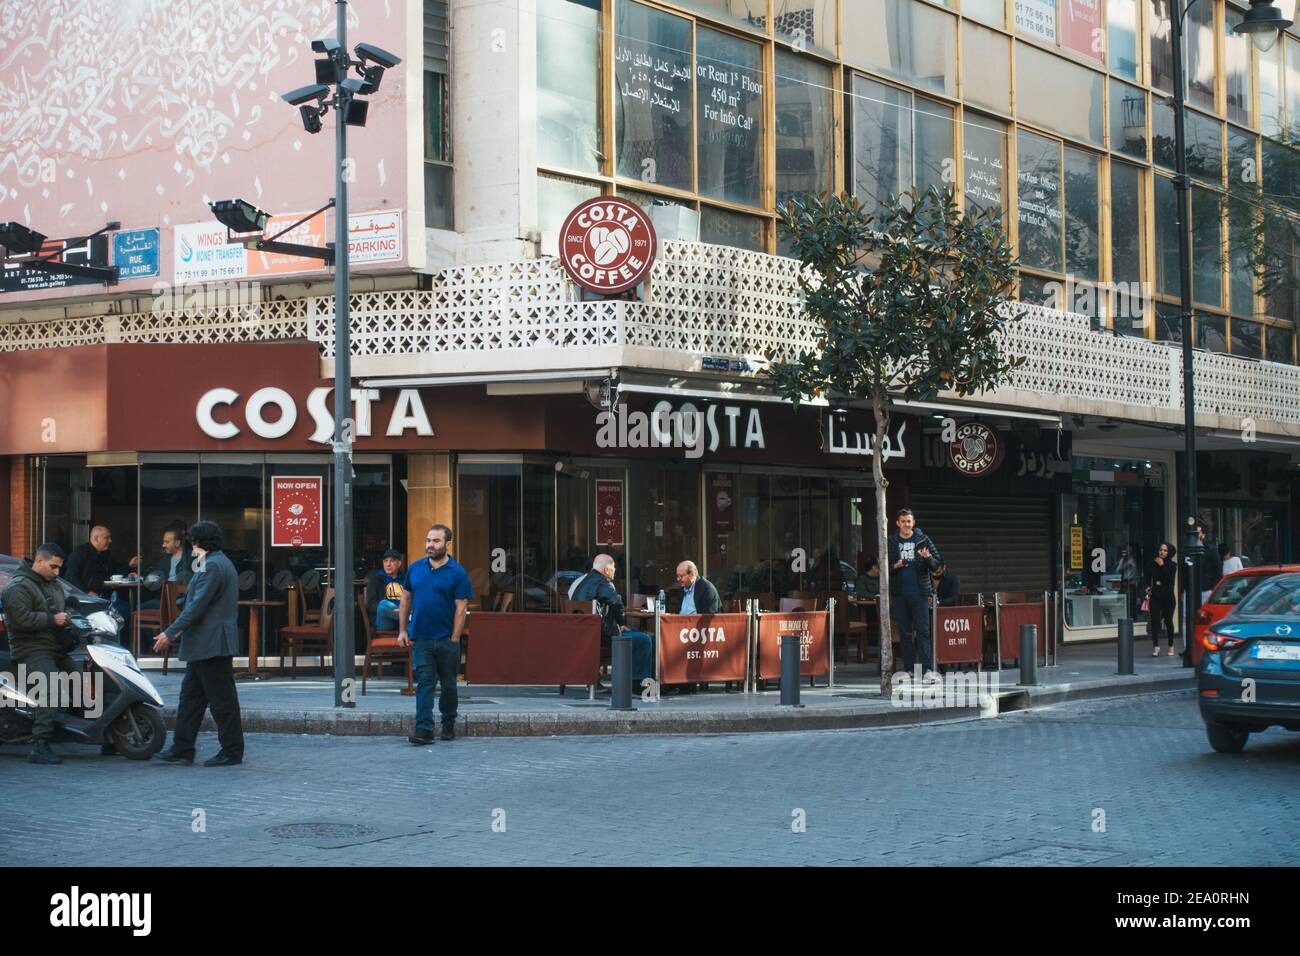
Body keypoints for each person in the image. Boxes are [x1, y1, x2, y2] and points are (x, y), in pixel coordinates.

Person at [153, 521, 245, 766]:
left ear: (198, 542)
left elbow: (197, 607)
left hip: (210, 643)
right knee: (191, 700)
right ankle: (182, 748)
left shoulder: (212, 566)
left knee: (221, 701)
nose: (190, 544)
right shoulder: (216, 562)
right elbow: (197, 600)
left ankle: (231, 751)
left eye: (192, 540)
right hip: (207, 644)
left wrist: (170, 633)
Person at [398, 524, 471, 745]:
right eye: (428, 540)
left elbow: (461, 607)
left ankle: (448, 722)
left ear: (448, 544)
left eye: (436, 541)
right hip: (421, 637)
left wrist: (455, 638)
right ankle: (424, 730)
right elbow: (406, 599)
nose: (430, 545)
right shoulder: (415, 568)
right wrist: (402, 630)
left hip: (447, 639)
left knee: (449, 685)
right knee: (425, 683)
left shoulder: (458, 572)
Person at [1, 544, 74, 764]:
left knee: (82, 679)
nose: (57, 572)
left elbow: (62, 609)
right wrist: (53, 620)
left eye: (59, 568)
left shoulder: (53, 584)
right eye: (53, 566)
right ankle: (40, 744)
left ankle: (79, 730)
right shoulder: (18, 586)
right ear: (39, 561)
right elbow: (19, 619)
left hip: (53, 646)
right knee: (50, 686)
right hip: (30, 648)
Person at [572, 553, 654, 689]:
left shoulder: (582, 582)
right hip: (601, 636)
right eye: (614, 567)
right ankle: (637, 684)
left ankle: (637, 680)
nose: (615, 570)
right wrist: (621, 624)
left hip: (585, 635)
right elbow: (616, 603)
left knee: (640, 635)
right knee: (645, 639)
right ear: (606, 570)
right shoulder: (603, 582)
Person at [888, 508, 941, 676]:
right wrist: (894, 567)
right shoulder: (891, 541)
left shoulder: (923, 539)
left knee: (923, 632)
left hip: (920, 594)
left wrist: (928, 557)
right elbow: (885, 567)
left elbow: (937, 565)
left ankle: (928, 670)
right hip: (900, 594)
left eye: (909, 521)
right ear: (898, 523)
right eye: (903, 521)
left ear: (914, 522)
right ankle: (909, 670)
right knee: (905, 634)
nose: (906, 524)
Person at [64, 525, 139, 616]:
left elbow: (115, 570)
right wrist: (87, 592)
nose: (110, 541)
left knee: (128, 608)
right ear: (96, 538)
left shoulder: (105, 554)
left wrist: (129, 566)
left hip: (106, 596)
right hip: (86, 600)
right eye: (107, 538)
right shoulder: (79, 553)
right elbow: (70, 577)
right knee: (123, 610)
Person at [142, 522, 194, 610]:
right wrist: (142, 577)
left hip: (182, 601)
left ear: (177, 543)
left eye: (166, 542)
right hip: (164, 599)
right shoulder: (164, 559)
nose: (163, 545)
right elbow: (156, 578)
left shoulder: (191, 558)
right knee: (140, 605)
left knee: (141, 607)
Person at [1147, 541, 1178, 658]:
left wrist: (1162, 565)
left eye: (1165, 550)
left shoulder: (1173, 565)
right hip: (1155, 595)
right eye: (1161, 550)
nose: (1162, 552)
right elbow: (1148, 577)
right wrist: (1147, 587)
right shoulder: (1153, 563)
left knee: (1168, 621)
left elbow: (1170, 579)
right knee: (1154, 621)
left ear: (1169, 552)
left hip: (1168, 597)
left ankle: (1171, 645)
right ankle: (1156, 646)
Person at [366, 549, 405, 630]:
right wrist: (393, 610)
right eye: (386, 561)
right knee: (383, 604)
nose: (388, 564)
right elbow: (371, 604)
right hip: (385, 620)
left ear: (399, 563)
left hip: (402, 622)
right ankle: (408, 617)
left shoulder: (406, 580)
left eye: (392, 561)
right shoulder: (376, 580)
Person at [1197, 526, 1222, 605]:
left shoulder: (1211, 549)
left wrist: (1214, 589)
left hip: (1206, 589)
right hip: (1190, 590)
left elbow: (1217, 570)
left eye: (1198, 533)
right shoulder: (1186, 549)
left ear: (1203, 535)